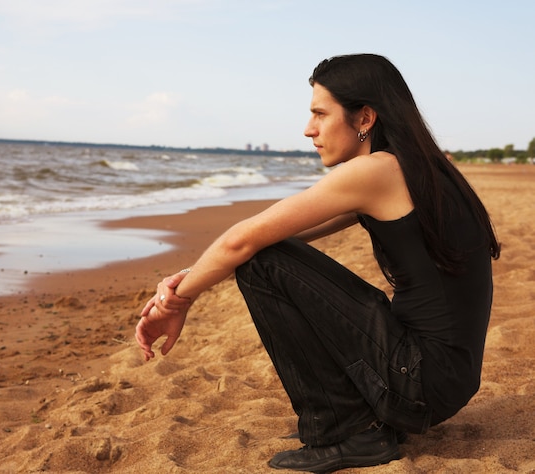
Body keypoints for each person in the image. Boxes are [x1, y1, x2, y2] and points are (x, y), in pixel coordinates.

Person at [135, 53, 500, 473]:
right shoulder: (422, 168)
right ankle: (356, 419)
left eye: (320, 114)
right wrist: (188, 276)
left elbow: (244, 241)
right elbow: (277, 235)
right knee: (263, 253)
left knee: (259, 262)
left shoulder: (374, 172)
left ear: (364, 117)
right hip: (444, 378)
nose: (309, 130)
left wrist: (176, 300)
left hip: (419, 382)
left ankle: (348, 429)